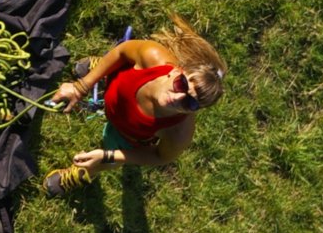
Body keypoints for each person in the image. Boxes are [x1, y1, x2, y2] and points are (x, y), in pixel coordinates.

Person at [42, 16, 226, 196]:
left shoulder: (179, 133)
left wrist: (108, 156)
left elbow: (160, 157)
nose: (177, 97)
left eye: (190, 103)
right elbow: (121, 52)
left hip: (125, 135)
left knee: (106, 161)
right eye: (182, 85)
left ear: (195, 111)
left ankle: (83, 173)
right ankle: (103, 72)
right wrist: (82, 86)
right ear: (176, 71)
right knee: (115, 66)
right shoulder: (153, 57)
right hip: (117, 86)